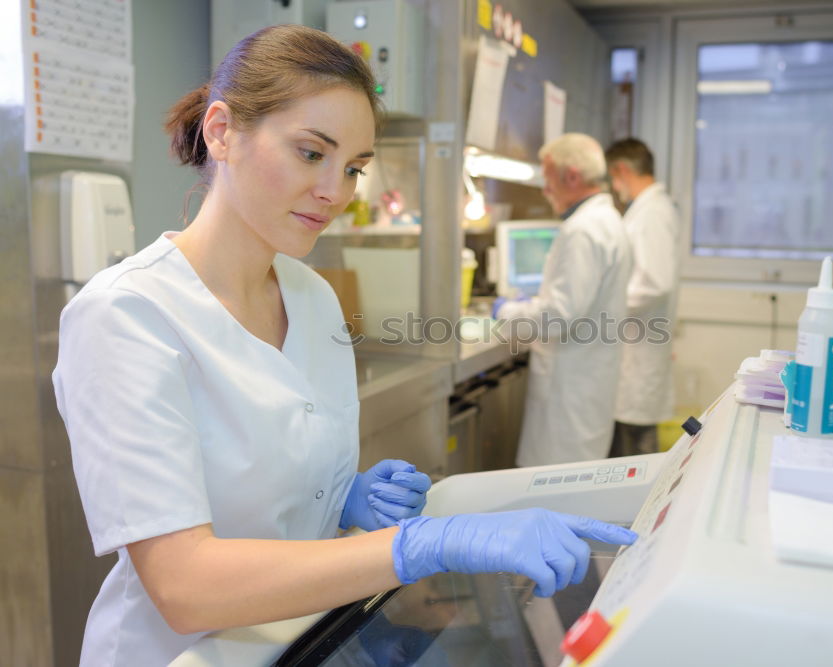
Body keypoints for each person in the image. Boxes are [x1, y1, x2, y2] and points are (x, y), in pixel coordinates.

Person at [52, 26, 636, 666]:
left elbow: (269, 473)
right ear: (221, 132)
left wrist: (340, 495)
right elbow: (183, 585)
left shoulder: (311, 296)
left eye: (355, 167)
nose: (337, 192)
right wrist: (418, 546)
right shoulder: (126, 314)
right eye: (311, 153)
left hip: (307, 639)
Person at [494, 133, 633, 467]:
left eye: (548, 179)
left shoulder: (582, 230)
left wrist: (508, 310)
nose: (545, 190)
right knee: (574, 480)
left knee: (556, 484)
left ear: (571, 176)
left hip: (570, 390)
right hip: (586, 381)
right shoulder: (607, 220)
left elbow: (558, 315)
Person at [605, 138, 681, 456]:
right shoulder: (647, 210)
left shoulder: (650, 214)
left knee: (635, 450)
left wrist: (607, 305)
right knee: (633, 442)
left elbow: (655, 283)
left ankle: (641, 508)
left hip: (640, 348)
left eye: (612, 178)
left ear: (621, 170)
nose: (614, 187)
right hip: (640, 344)